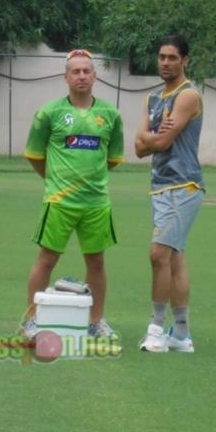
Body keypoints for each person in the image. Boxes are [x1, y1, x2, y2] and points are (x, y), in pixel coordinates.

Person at [21, 49, 124, 340]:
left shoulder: (110, 114)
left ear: (95, 75)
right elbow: (34, 155)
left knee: (97, 263)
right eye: (75, 71)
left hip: (96, 203)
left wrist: (90, 180)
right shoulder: (49, 113)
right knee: (46, 260)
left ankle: (96, 321)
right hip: (59, 202)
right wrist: (55, 180)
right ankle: (31, 319)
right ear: (65, 77)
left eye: (86, 71)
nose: (81, 76)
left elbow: (112, 159)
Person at [135, 35, 204, 353]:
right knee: (174, 258)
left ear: (185, 60)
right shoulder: (153, 99)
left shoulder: (188, 95)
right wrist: (151, 136)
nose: (165, 62)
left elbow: (159, 143)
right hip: (161, 185)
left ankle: (155, 330)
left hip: (182, 185)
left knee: (158, 255)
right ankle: (181, 335)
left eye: (172, 57)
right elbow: (137, 148)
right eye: (161, 56)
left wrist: (149, 137)